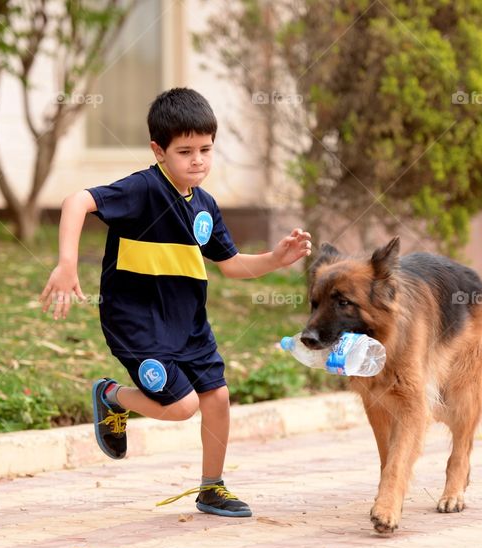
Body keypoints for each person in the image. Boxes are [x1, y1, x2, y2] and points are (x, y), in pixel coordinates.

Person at [39, 87, 312, 517]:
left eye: (205, 149)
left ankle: (211, 488)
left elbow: (232, 265)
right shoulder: (143, 189)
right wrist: (67, 263)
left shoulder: (205, 207)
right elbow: (78, 201)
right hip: (137, 323)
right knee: (182, 405)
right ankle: (112, 396)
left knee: (217, 399)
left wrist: (276, 259)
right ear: (159, 150)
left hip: (188, 324)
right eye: (185, 151)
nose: (198, 159)